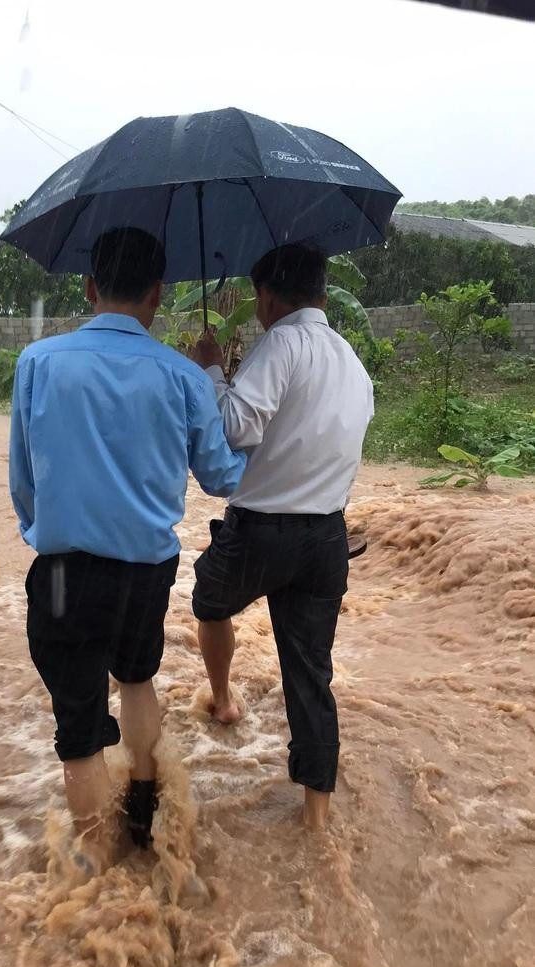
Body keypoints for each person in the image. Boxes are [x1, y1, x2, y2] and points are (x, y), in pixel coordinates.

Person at [9, 227, 245, 867]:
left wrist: (51, 532)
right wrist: (215, 376)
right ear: (157, 294)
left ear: (89, 288)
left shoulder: (39, 363)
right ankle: (143, 804)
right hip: (148, 567)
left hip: (62, 571)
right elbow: (223, 479)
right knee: (137, 677)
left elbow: (23, 481)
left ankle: (98, 873)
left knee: (79, 720)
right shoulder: (184, 377)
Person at [191, 242, 374, 831]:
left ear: (268, 297)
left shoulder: (283, 342)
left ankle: (222, 700)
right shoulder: (353, 362)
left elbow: (234, 427)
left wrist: (213, 371)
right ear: (322, 292)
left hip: (262, 530)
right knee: (310, 673)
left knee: (209, 601)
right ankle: (316, 817)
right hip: (327, 539)